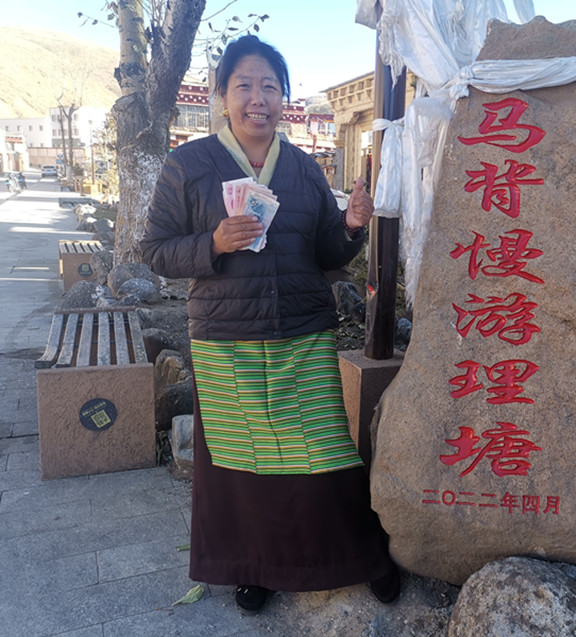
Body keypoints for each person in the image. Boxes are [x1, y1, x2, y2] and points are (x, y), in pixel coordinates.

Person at [141, 34, 399, 615]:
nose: (258, 99)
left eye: (269, 87)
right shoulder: (188, 166)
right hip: (226, 338)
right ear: (222, 95)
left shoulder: (303, 168)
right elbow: (154, 250)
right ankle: (251, 566)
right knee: (242, 463)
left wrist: (351, 225)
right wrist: (212, 243)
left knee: (324, 453)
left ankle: (357, 557)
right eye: (244, 86)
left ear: (283, 97)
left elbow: (326, 251)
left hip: (303, 331)